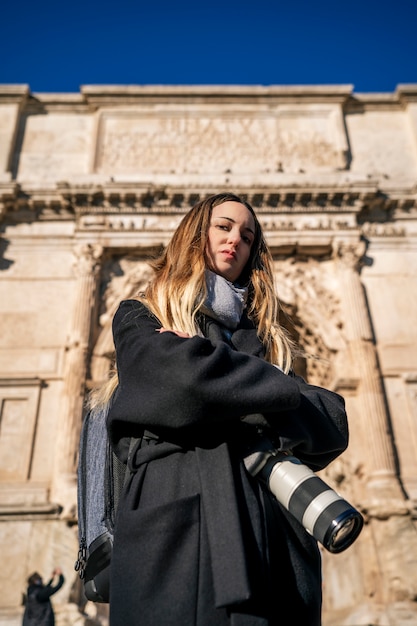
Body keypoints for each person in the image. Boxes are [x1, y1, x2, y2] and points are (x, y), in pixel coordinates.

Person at [91, 192, 349, 625]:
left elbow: (334, 420)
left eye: (248, 236)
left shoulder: (270, 338)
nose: (236, 241)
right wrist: (282, 395)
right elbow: (181, 381)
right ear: (194, 234)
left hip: (275, 547)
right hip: (178, 536)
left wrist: (209, 370)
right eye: (223, 227)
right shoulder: (139, 314)